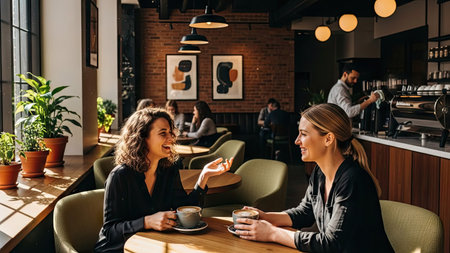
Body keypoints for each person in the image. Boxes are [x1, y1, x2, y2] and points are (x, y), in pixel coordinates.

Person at [234, 103, 393, 252]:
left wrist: (272, 233)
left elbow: (332, 243)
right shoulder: (319, 173)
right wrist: (266, 217)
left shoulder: (353, 180)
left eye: (303, 134)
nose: (297, 141)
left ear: (328, 139)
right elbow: (305, 213)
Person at [94, 108, 233, 252]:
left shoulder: (168, 170)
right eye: (163, 133)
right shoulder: (120, 176)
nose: (171, 138)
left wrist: (204, 177)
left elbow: (184, 210)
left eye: (170, 132)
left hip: (152, 245)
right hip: (118, 249)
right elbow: (110, 231)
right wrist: (147, 222)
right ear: (141, 137)